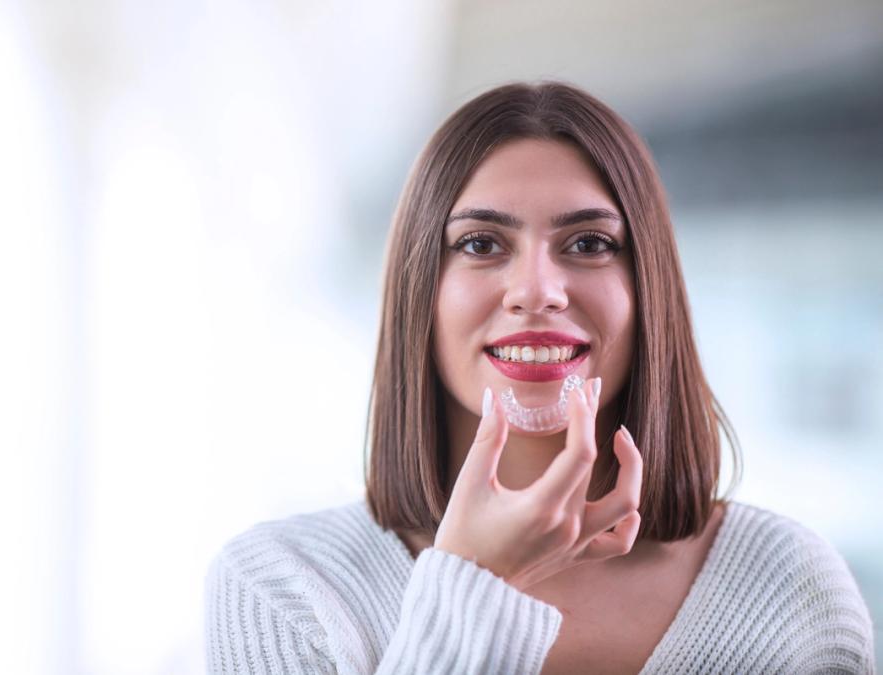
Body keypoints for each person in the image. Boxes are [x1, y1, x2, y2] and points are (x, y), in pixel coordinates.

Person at [205, 81, 876, 674]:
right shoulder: (284, 586)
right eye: (479, 244)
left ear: (649, 292)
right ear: (420, 294)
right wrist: (474, 581)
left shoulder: (789, 586)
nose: (534, 290)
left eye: (587, 243)